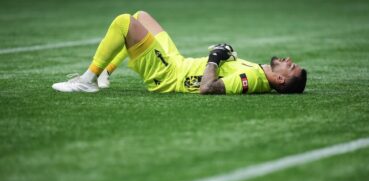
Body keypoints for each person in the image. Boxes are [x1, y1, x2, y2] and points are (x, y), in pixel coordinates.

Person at [52, 11, 307, 94]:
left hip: (169, 74)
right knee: (141, 16)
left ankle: (87, 81)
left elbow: (208, 88)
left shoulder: (252, 80)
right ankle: (105, 73)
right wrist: (227, 54)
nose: (288, 61)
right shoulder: (259, 71)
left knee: (124, 22)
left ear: (282, 80)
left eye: (291, 67)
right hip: (178, 61)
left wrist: (215, 57)